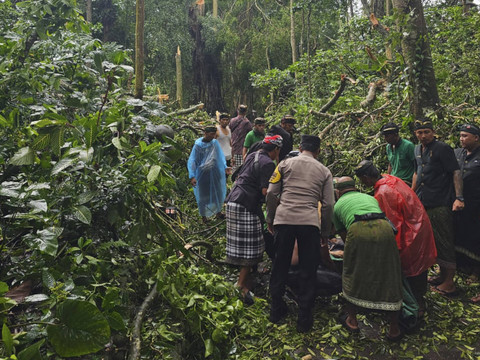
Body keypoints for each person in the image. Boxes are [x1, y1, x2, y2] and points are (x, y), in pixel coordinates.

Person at [266, 135, 335, 333]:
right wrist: (324, 232)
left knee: (280, 264)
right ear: (318, 151)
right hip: (309, 223)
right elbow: (329, 204)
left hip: (284, 220)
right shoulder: (324, 171)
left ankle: (276, 309)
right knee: (308, 269)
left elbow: (271, 193)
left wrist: (270, 219)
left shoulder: (284, 164)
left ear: (300, 147)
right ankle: (304, 319)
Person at [355, 160, 437, 316]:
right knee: (418, 267)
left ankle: (416, 305)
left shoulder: (383, 193)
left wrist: (392, 250)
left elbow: (393, 225)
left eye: (361, 180)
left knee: (411, 269)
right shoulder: (391, 179)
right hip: (419, 226)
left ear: (366, 177)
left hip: (411, 233)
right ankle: (418, 299)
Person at [332, 177, 403, 340]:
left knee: (351, 271)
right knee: (389, 272)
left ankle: (352, 321)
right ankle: (394, 329)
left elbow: (345, 238)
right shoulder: (369, 197)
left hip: (358, 229)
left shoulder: (337, 206)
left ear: (337, 192)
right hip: (385, 228)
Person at [224, 135, 283, 304]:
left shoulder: (253, 155)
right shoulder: (267, 163)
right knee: (252, 247)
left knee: (243, 244)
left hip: (233, 200)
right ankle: (241, 286)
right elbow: (266, 192)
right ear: (276, 150)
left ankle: (246, 280)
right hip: (246, 204)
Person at [412, 118, 464, 296]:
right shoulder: (417, 149)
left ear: (433, 132)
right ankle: (441, 275)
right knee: (433, 240)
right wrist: (412, 194)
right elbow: (416, 172)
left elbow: (455, 172)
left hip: (441, 201)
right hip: (423, 201)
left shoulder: (443, 148)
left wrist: (459, 197)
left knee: (444, 240)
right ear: (415, 134)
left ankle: (449, 282)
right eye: (420, 132)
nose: (423, 135)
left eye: (427, 132)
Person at [453, 124, 480, 302]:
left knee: (476, 238)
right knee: (460, 235)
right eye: (461, 136)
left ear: (476, 138)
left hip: (476, 204)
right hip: (460, 203)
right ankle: (462, 265)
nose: (462, 139)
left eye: (465, 136)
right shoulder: (457, 153)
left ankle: (477, 271)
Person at [187, 126, 229, 223]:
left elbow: (220, 156)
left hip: (215, 173)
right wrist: (192, 176)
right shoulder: (198, 145)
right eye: (211, 134)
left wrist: (225, 166)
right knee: (203, 195)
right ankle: (204, 217)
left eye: (214, 134)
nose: (213, 136)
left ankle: (218, 212)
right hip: (203, 174)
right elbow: (193, 160)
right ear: (205, 133)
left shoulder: (214, 143)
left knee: (217, 192)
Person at [230, 104, 252, 172]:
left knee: (233, 170)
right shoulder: (247, 122)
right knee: (241, 171)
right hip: (242, 150)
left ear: (237, 111)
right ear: (245, 112)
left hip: (232, 149)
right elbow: (251, 133)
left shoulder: (232, 120)